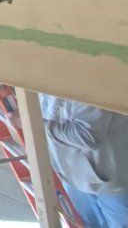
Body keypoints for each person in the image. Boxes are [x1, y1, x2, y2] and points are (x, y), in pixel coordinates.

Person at [39, 95, 128, 227]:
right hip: (72, 175)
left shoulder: (89, 81)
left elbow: (87, 136)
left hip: (109, 180)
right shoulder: (44, 81)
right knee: (87, 223)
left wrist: (36, 124)